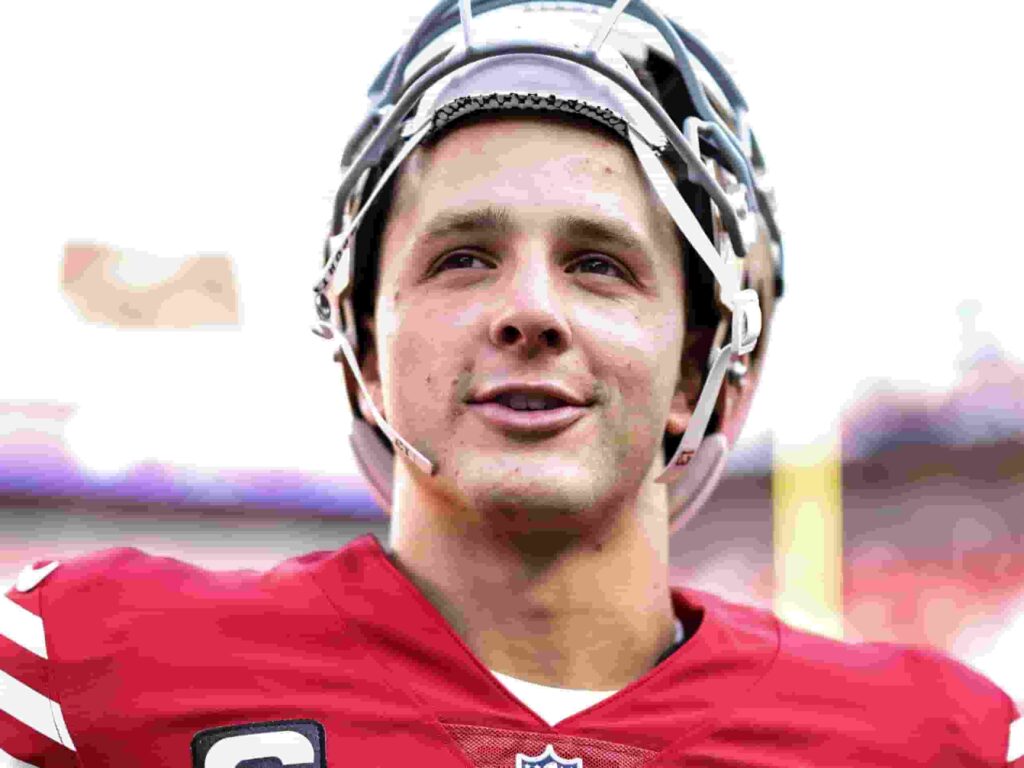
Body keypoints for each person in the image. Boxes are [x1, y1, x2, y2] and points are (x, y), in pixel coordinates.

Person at [2, 1, 1020, 766]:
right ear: (363, 339)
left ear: (697, 368)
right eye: (462, 258)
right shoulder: (75, 669)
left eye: (599, 264)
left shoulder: (943, 742)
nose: (528, 310)